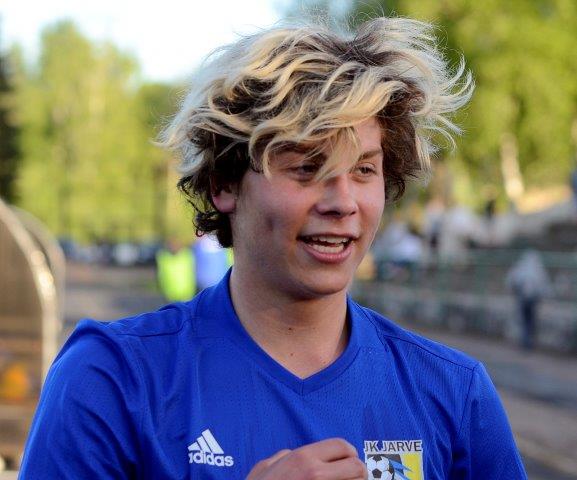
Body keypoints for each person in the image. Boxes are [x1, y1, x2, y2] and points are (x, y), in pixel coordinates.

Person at [19, 16, 527, 479]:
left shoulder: (453, 393)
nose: (342, 202)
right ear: (224, 183)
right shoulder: (112, 380)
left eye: (363, 170)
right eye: (307, 168)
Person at [506, 250, 552, 350]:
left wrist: (514, 291)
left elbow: (512, 280)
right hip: (533, 299)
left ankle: (525, 341)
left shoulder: (520, 267)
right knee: (531, 320)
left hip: (522, 297)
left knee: (524, 319)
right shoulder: (538, 268)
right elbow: (544, 284)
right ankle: (528, 342)